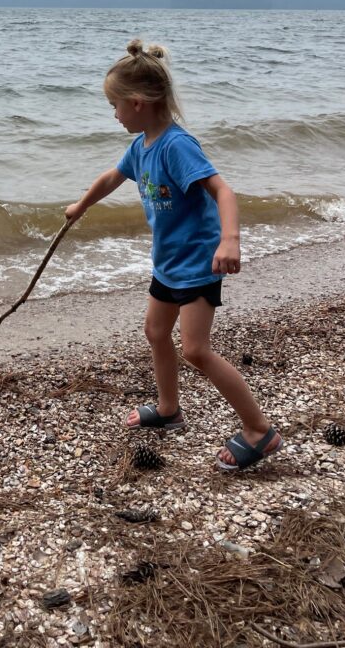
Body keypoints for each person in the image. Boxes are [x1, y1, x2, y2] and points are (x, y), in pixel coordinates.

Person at [65, 39, 282, 472]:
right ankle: (169, 409)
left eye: (114, 105)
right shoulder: (142, 145)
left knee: (196, 351)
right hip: (168, 261)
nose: (113, 114)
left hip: (199, 262)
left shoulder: (176, 146)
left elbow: (222, 190)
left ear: (138, 103)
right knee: (155, 331)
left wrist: (230, 240)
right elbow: (113, 176)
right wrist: (82, 205)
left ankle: (260, 430)